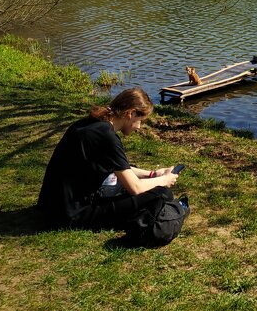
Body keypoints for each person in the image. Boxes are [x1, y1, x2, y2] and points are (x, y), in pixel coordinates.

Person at [37, 87, 184, 236]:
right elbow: (135, 188)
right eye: (140, 121)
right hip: (72, 213)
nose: (139, 127)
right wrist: (164, 180)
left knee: (135, 177)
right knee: (162, 194)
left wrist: (153, 174)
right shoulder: (107, 137)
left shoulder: (90, 124)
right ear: (131, 113)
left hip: (49, 206)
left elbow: (117, 166)